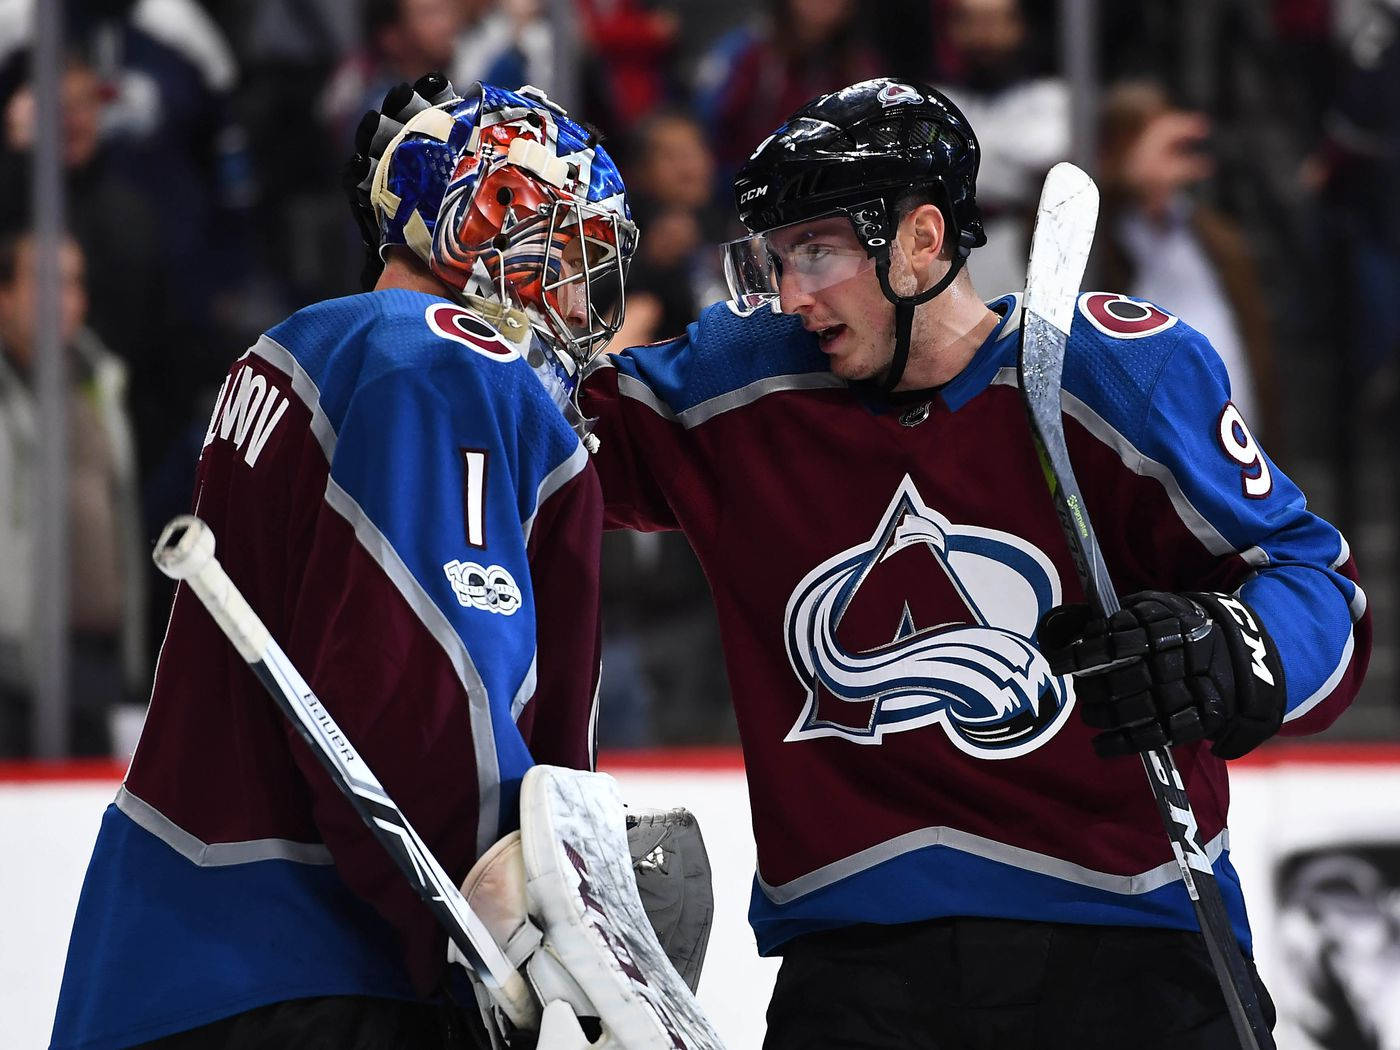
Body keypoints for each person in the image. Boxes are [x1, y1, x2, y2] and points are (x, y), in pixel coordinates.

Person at [580, 78, 1371, 1047]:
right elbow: (526, 446)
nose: (791, 295)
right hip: (859, 972)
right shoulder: (736, 389)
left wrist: (1228, 647)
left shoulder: (1111, 375)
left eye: (818, 252)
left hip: (1124, 947)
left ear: (921, 241)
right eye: (776, 259)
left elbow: (1315, 589)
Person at [50, 78, 636, 1049]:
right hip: (322, 969)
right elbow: (421, 693)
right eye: (568, 256)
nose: (584, 304)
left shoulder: (302, 349)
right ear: (491, 233)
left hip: (167, 957)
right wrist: (526, 934)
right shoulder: (445, 359)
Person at [0, 229, 146, 757]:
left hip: (92, 657)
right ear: (5, 294)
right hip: (12, 665)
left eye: (72, 283)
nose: (61, 297)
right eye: (43, 280)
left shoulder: (98, 379)